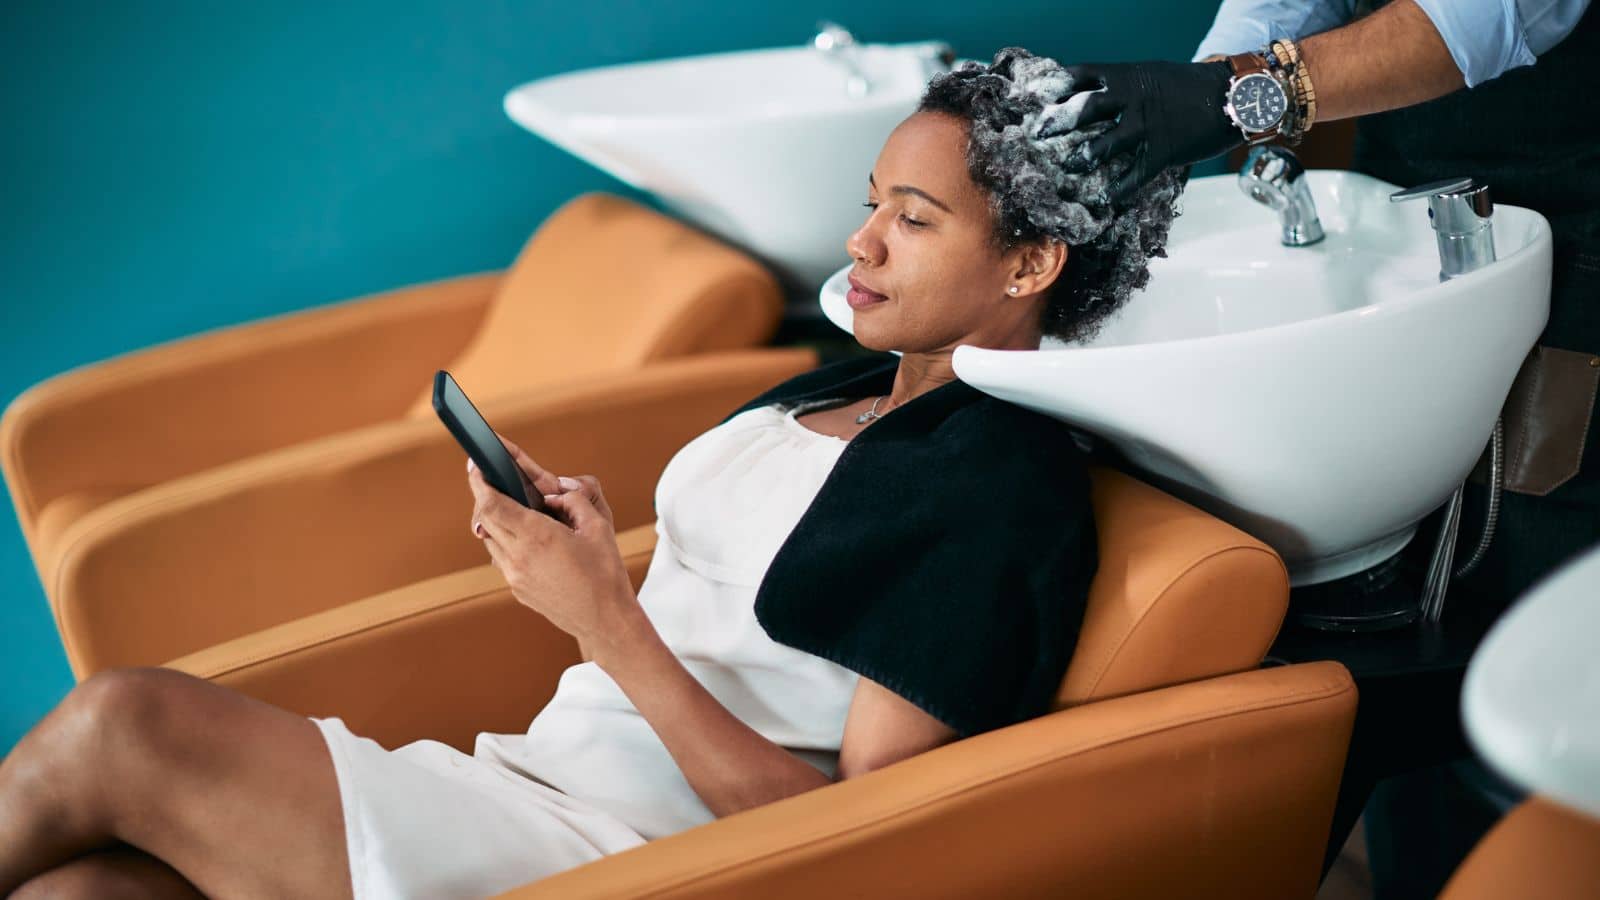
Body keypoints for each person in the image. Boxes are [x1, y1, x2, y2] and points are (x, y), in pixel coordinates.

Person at [0, 48, 1169, 899]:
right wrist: (599, 554)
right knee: (87, 895)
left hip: (621, 855)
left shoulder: (997, 481)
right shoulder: (847, 387)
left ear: (1029, 260)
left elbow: (853, 837)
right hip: (530, 779)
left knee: (126, 721)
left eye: (911, 221)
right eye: (870, 206)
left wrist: (602, 620)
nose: (859, 242)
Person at [1042, 0, 1598, 616]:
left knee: (1533, 546)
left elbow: (1479, 18)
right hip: (1400, 203)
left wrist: (1235, 95)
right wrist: (1184, 110)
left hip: (1570, 215)